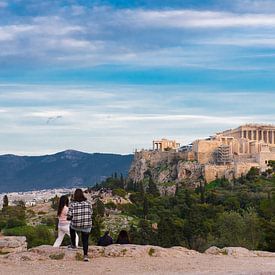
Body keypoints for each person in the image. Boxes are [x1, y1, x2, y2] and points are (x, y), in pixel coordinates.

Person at [67, 189, 93, 262]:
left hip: (76, 225)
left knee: (71, 228)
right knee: (85, 240)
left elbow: (69, 216)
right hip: (87, 225)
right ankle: (85, 255)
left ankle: (73, 244)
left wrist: (69, 218)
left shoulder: (72, 204)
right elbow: (91, 213)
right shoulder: (88, 203)